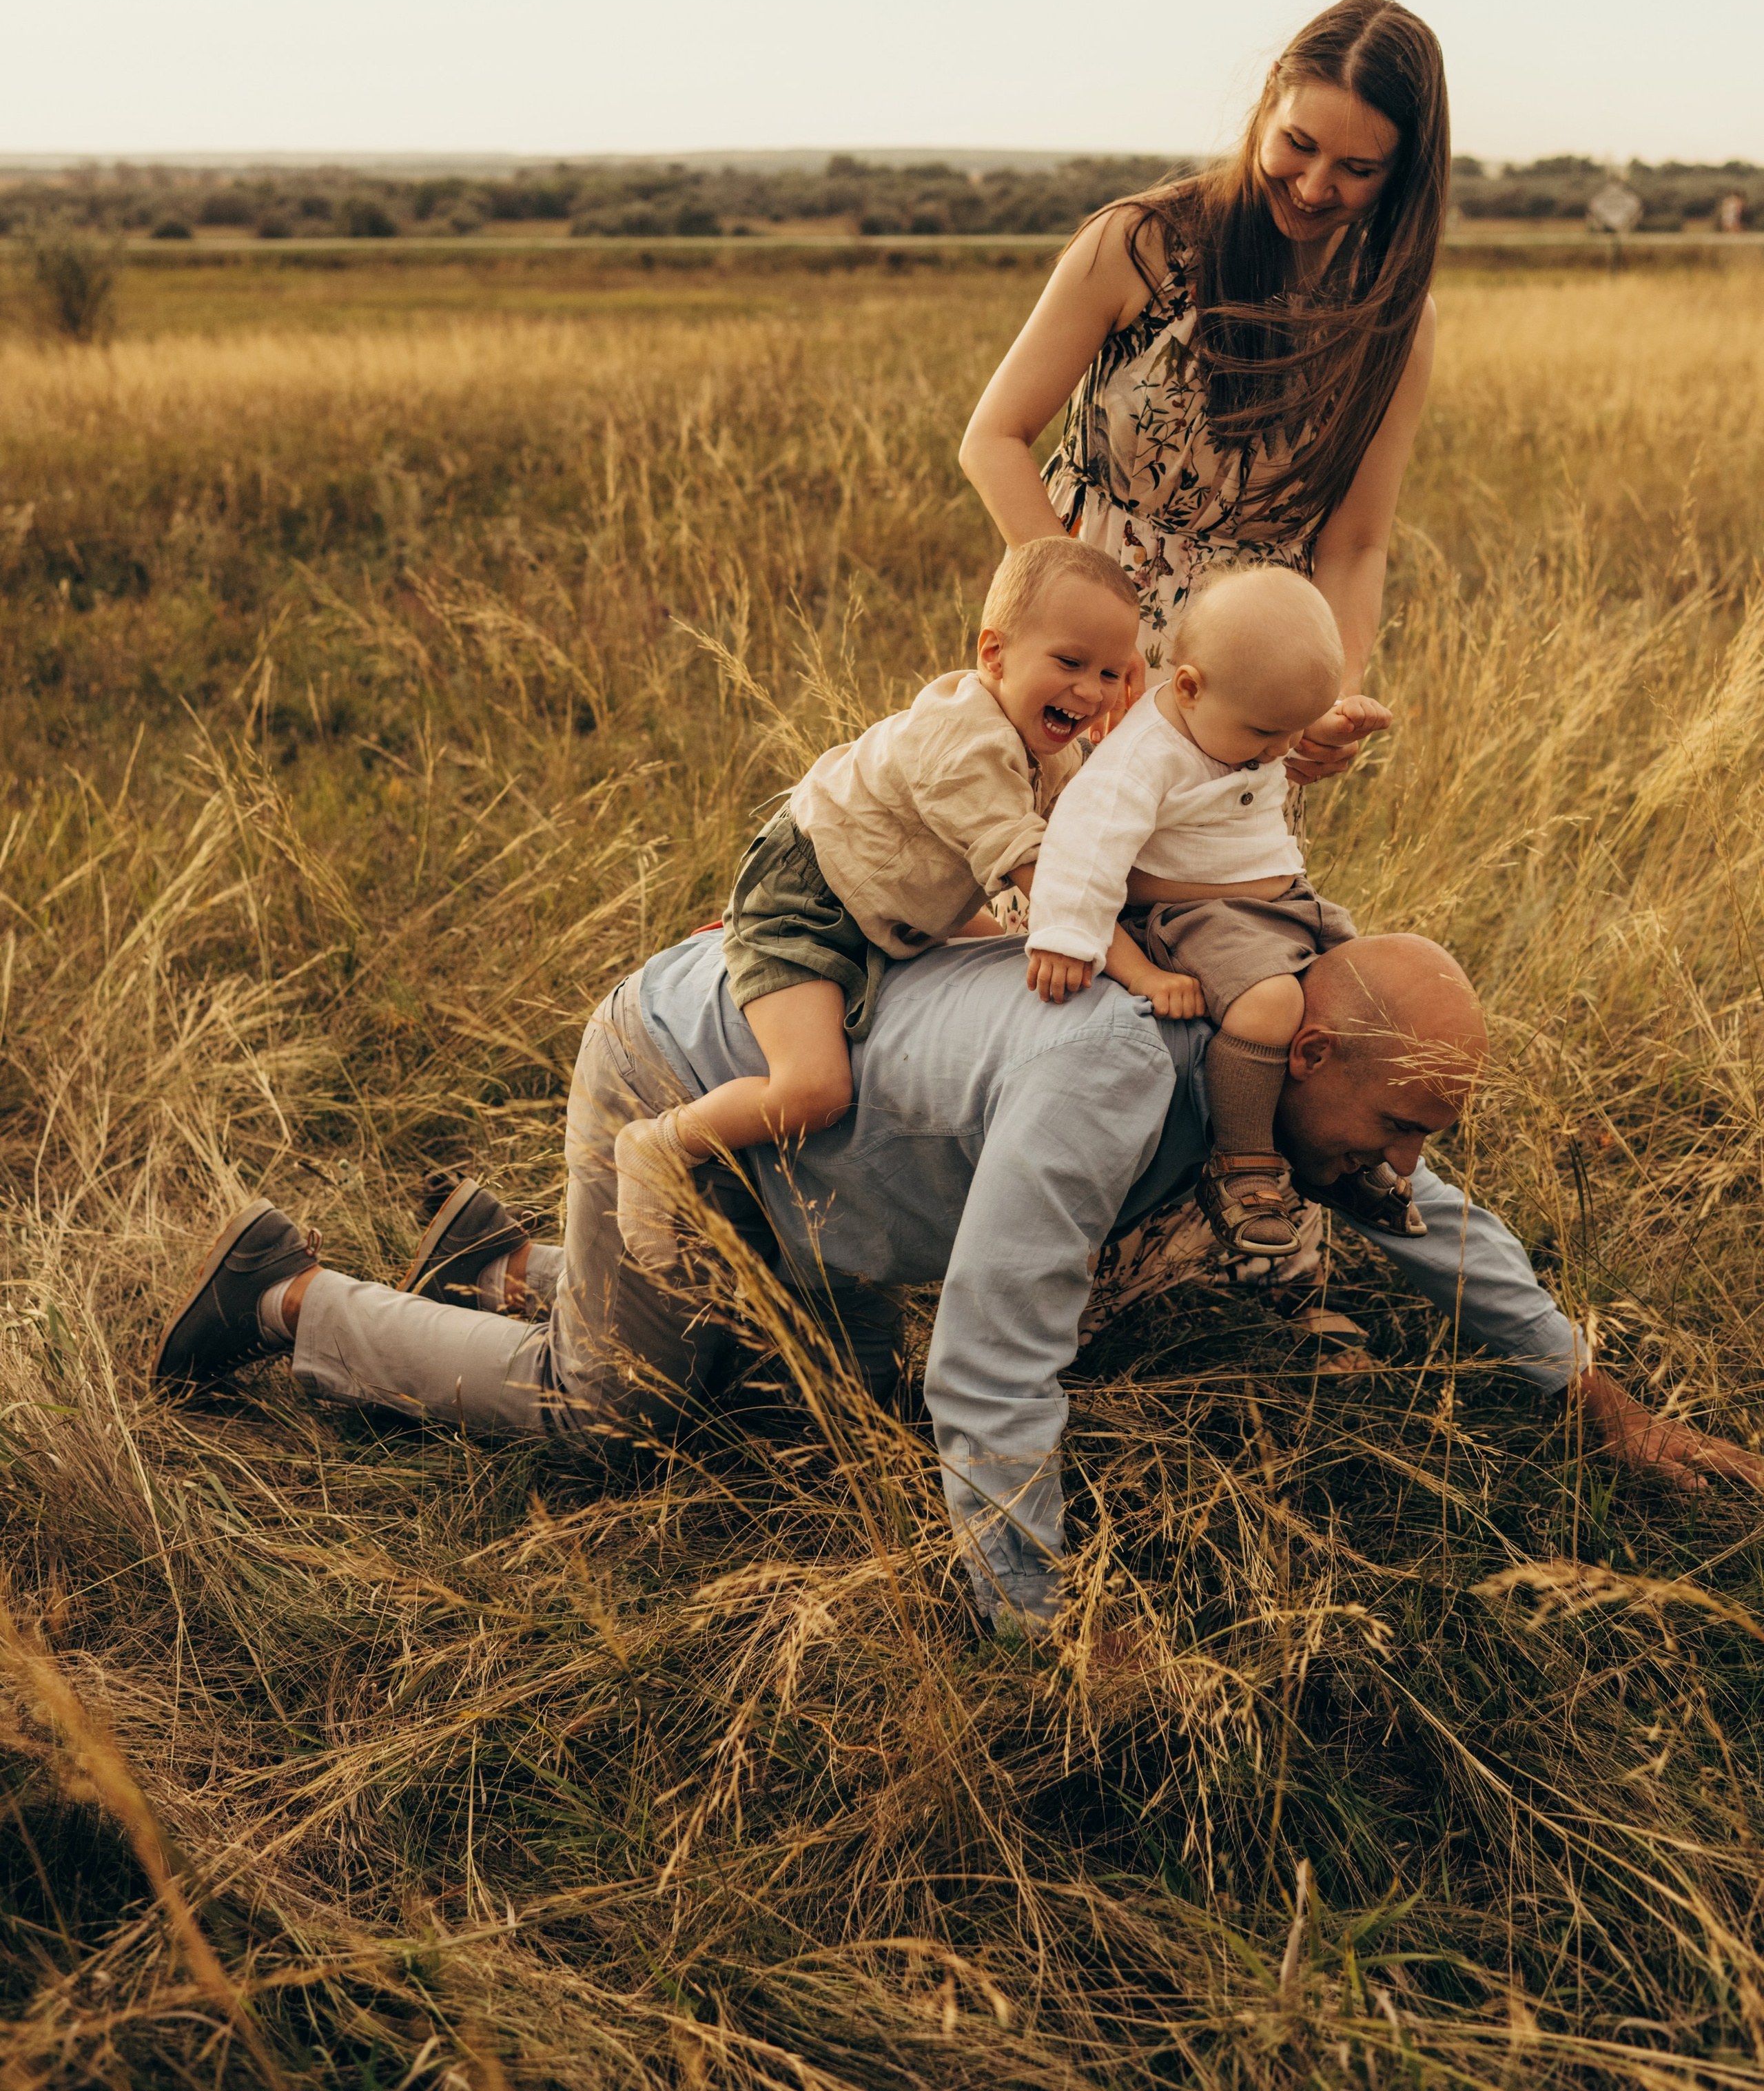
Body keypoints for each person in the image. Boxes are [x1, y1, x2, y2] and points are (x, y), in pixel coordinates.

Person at [151, 931, 1761, 1634]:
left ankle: (501, 1260)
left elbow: (1429, 1216)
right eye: (1399, 1121)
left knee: (812, 1406)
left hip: (826, 1161)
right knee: (628, 1409)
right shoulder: (1116, 1082)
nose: (1403, 1163)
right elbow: (986, 1376)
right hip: (684, 1080)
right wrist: (1036, 1627)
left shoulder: (1278, 1070)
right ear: (1318, 1047)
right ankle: (294, 1296)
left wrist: (1599, 1405)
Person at [959, 0, 1447, 786]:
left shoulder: (1395, 320)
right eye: (1297, 143)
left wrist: (1330, 690)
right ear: (1266, 105)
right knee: (1043, 885)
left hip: (1251, 668)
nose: (1316, 186)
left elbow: (1355, 543)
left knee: (1218, 905)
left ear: (1401, 176)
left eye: (1357, 170)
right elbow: (992, 439)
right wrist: (1088, 636)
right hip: (1077, 641)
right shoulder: (1139, 243)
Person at [612, 537, 1141, 1266]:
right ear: (993, 654)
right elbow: (1044, 872)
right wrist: (1137, 968)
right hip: (808, 897)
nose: (1090, 692)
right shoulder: (964, 738)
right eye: (1071, 663)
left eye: (1112, 674)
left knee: (997, 961)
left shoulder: (1052, 744)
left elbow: (1093, 834)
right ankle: (659, 1146)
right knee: (817, 1089)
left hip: (907, 899)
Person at [1025, 565, 1407, 1257]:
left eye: (1290, 731)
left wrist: (1315, 719)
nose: (1279, 752)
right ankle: (1243, 1164)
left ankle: (1336, 1144)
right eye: (1267, 732)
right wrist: (1066, 935)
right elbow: (1082, 847)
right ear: (1191, 687)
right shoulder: (1143, 760)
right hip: (1201, 917)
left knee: (1364, 996)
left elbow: (1270, 715)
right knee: (1267, 1008)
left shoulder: (1233, 715)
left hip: (1286, 902)